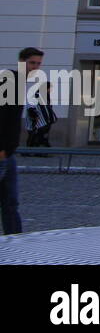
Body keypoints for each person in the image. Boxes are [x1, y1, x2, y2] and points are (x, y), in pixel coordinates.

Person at [0, 48, 46, 233]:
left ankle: (16, 241)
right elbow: (3, 117)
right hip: (3, 152)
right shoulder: (11, 80)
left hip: (8, 153)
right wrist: (2, 148)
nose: (35, 67)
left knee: (10, 201)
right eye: (32, 63)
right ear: (21, 61)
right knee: (9, 201)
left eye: (38, 64)